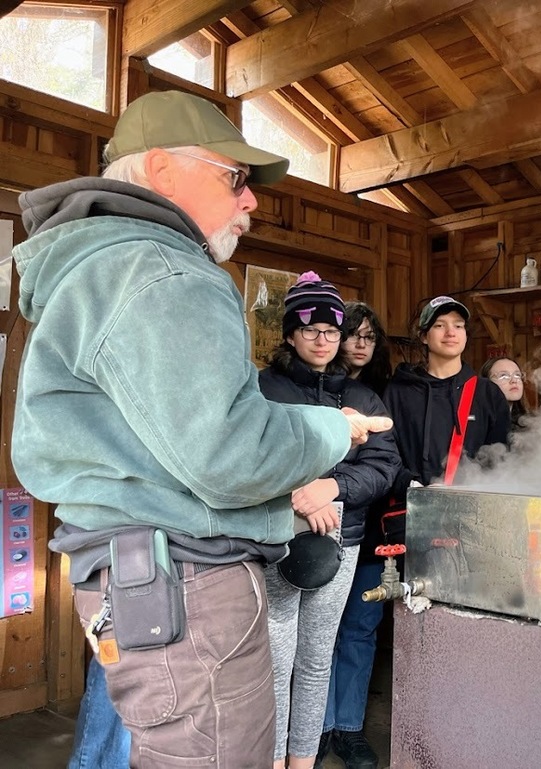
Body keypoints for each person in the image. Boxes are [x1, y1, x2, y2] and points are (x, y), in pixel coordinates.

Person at [10, 89, 391, 768]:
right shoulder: (163, 270)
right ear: (160, 169)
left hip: (136, 577)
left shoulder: (102, 266)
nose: (251, 201)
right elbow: (230, 451)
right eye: (235, 178)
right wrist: (334, 430)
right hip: (185, 583)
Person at [259, 274, 401, 769]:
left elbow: (384, 465)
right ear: (291, 333)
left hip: (345, 538)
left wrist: (333, 488)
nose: (323, 340)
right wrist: (301, 492)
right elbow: (250, 456)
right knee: (275, 661)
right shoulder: (262, 388)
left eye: (332, 330)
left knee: (316, 660)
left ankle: (302, 760)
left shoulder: (362, 397)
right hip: (276, 537)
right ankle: (272, 760)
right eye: (311, 328)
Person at [319, 301, 395, 769]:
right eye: (353, 334)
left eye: (369, 336)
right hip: (328, 527)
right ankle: (319, 726)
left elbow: (389, 462)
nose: (360, 344)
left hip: (376, 527)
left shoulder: (387, 389)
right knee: (319, 635)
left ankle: (348, 726)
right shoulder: (312, 388)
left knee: (360, 630)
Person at [384, 296, 511, 501]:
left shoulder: (488, 394)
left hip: (473, 510)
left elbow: (502, 458)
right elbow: (385, 452)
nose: (451, 332)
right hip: (410, 507)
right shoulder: (398, 391)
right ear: (424, 336)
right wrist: (413, 486)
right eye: (439, 325)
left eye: (458, 326)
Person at [480, 356, 530, 430]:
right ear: (487, 383)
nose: (514, 381)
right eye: (503, 376)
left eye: (517, 375)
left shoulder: (529, 422)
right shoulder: (478, 423)